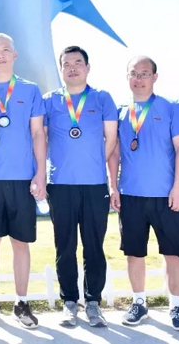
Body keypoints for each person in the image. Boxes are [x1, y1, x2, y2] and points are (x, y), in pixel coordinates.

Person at [108, 56, 179, 330]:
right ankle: (139, 303)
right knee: (134, 253)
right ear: (127, 77)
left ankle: (176, 307)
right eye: (134, 73)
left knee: (173, 253)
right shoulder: (121, 112)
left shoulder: (170, 107)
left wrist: (178, 187)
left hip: (166, 196)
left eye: (144, 73)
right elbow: (114, 153)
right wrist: (113, 186)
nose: (139, 78)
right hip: (131, 195)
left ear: (155, 77)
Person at [0, 33, 46, 329]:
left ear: (15, 55)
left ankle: (21, 302)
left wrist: (40, 172)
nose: (0, 54)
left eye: (5, 49)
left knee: (20, 244)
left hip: (22, 178)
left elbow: (38, 133)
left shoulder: (30, 89)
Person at [43, 46, 118, 328]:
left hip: (94, 185)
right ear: (61, 68)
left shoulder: (102, 98)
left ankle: (93, 302)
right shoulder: (50, 101)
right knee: (65, 246)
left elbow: (112, 139)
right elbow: (42, 139)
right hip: (60, 185)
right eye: (66, 64)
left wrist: (97, 162)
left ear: (87, 67)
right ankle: (70, 302)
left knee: (94, 246)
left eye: (78, 62)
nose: (72, 68)